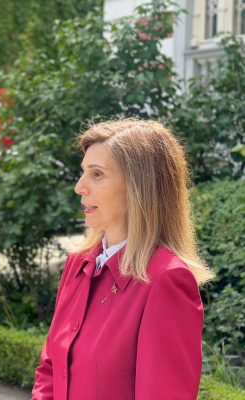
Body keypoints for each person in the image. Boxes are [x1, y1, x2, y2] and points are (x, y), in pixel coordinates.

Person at [32, 119, 214, 400]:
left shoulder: (166, 279)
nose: (79, 187)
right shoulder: (79, 264)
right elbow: (50, 368)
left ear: (139, 187)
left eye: (97, 174)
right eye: (83, 172)